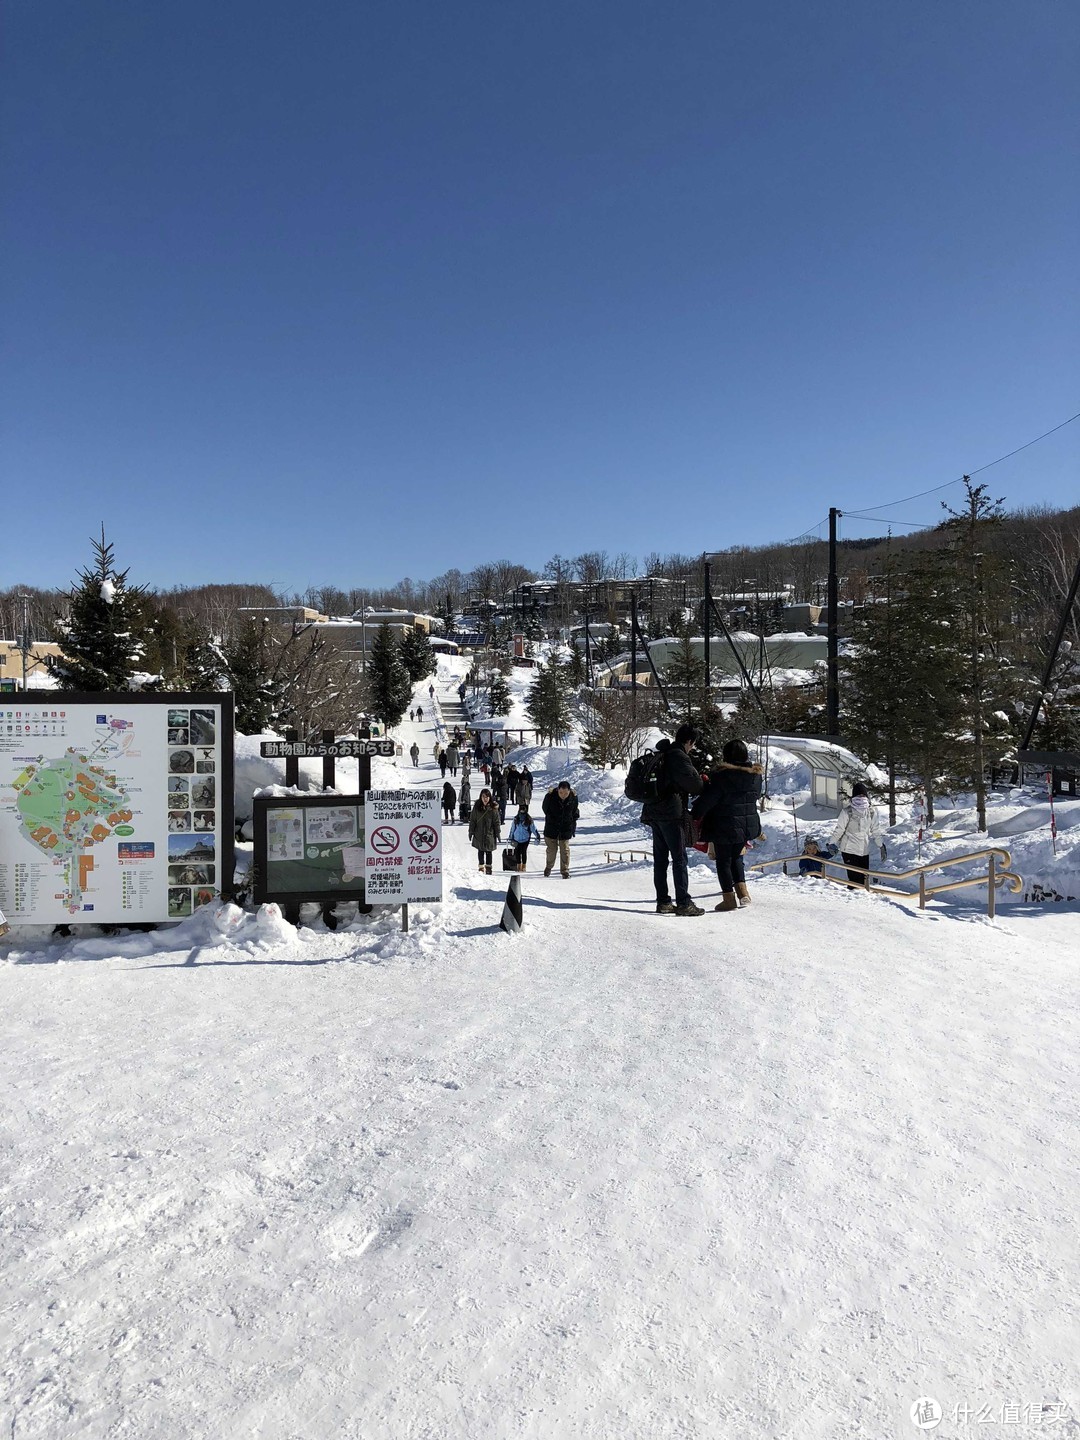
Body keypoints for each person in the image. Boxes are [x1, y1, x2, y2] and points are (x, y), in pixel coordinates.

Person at [641, 723, 705, 916]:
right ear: (689, 741)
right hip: (671, 813)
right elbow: (695, 785)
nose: (692, 747)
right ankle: (684, 902)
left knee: (660, 860)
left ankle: (663, 902)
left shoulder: (664, 752)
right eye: (693, 744)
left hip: (653, 811)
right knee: (679, 858)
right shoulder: (678, 756)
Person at [692, 738, 763, 911]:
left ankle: (728, 899)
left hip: (724, 824)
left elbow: (708, 801)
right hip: (746, 824)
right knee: (737, 857)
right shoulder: (755, 776)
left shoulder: (721, 777)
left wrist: (694, 814)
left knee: (723, 861)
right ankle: (743, 894)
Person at [829, 782, 886, 888]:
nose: (861, 798)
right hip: (849, 850)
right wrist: (832, 843)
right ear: (853, 797)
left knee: (864, 880)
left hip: (864, 850)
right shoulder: (847, 812)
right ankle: (852, 900)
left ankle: (861, 901)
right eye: (858, 796)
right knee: (854, 881)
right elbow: (839, 829)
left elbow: (875, 830)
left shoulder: (871, 811)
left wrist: (881, 845)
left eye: (863, 795)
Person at [542, 778, 579, 878]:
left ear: (569, 791)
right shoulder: (550, 797)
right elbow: (545, 809)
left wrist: (571, 823)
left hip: (565, 828)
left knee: (565, 851)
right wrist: (551, 818)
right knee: (552, 850)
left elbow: (575, 811)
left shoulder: (573, 798)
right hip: (551, 828)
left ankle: (565, 871)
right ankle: (549, 867)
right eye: (561, 792)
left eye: (566, 793)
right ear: (558, 790)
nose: (563, 795)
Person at [468, 787, 501, 874]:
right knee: (480, 850)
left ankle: (489, 867)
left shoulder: (493, 809)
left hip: (490, 833)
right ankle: (481, 867)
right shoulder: (476, 807)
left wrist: (498, 833)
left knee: (489, 851)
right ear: (480, 797)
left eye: (487, 797)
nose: (485, 799)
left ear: (489, 798)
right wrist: (471, 832)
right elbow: (473, 821)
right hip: (479, 833)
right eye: (483, 797)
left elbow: (497, 822)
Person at [508, 804, 541, 871]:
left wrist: (537, 835)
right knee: (517, 852)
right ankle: (518, 866)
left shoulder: (529, 820)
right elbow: (512, 829)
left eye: (523, 811)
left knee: (523, 852)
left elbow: (533, 829)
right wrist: (511, 837)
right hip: (516, 839)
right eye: (521, 811)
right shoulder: (516, 819)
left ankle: (523, 866)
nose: (522, 813)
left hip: (525, 839)